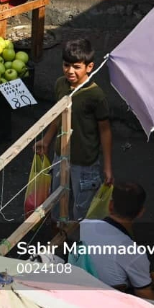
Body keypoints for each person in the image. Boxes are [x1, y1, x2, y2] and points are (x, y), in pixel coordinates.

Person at [35, 39, 113, 220]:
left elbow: (105, 130)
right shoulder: (60, 85)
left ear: (89, 67)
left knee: (83, 208)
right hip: (60, 155)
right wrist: (46, 140)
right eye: (66, 65)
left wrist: (108, 166)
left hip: (85, 161)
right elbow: (57, 116)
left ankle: (80, 241)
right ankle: (58, 233)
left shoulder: (95, 95)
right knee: (55, 199)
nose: (70, 71)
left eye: (76, 67)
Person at [64, 182, 154, 300]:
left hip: (73, 295)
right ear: (140, 212)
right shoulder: (135, 254)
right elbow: (150, 302)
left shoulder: (82, 226)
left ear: (110, 205)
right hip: (108, 306)